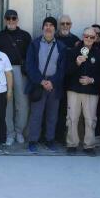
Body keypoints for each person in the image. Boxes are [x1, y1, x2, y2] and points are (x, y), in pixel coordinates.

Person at [25, 17, 67, 154]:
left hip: (54, 85)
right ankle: (33, 141)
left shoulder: (61, 46)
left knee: (52, 115)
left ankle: (49, 140)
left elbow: (62, 68)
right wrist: (42, 81)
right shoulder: (34, 44)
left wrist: (52, 82)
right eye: (46, 25)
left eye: (51, 26)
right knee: (36, 114)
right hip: (38, 84)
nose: (48, 28)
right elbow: (29, 66)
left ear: (55, 29)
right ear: (43, 28)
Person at [65, 27, 100, 156]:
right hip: (74, 90)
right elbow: (66, 71)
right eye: (86, 36)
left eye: (92, 37)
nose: (89, 39)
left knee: (90, 120)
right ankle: (72, 144)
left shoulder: (99, 54)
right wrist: (76, 63)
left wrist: (92, 80)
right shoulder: (73, 52)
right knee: (72, 118)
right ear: (83, 37)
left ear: (96, 39)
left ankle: (89, 145)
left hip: (91, 91)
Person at [0, 9, 32, 145]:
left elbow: (31, 55)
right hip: (3, 71)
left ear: (17, 19)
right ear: (5, 20)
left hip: (19, 71)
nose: (11, 21)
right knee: (7, 104)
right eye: (8, 18)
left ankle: (19, 131)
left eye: (13, 18)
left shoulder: (25, 35)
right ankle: (10, 133)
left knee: (22, 104)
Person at [54, 14, 80, 144]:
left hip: (69, 80)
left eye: (67, 23)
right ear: (59, 25)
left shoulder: (76, 41)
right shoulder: (53, 38)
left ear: (71, 25)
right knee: (53, 108)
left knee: (66, 110)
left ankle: (63, 137)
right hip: (54, 79)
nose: (65, 26)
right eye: (62, 23)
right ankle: (49, 137)